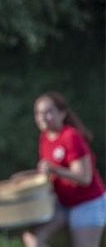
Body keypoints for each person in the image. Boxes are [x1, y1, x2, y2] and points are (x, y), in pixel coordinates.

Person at [22, 92, 105, 247]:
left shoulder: (70, 136)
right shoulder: (45, 137)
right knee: (33, 238)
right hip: (63, 203)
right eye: (38, 113)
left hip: (87, 203)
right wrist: (26, 177)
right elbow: (50, 173)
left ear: (62, 114)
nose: (43, 117)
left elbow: (84, 177)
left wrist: (55, 170)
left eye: (48, 112)